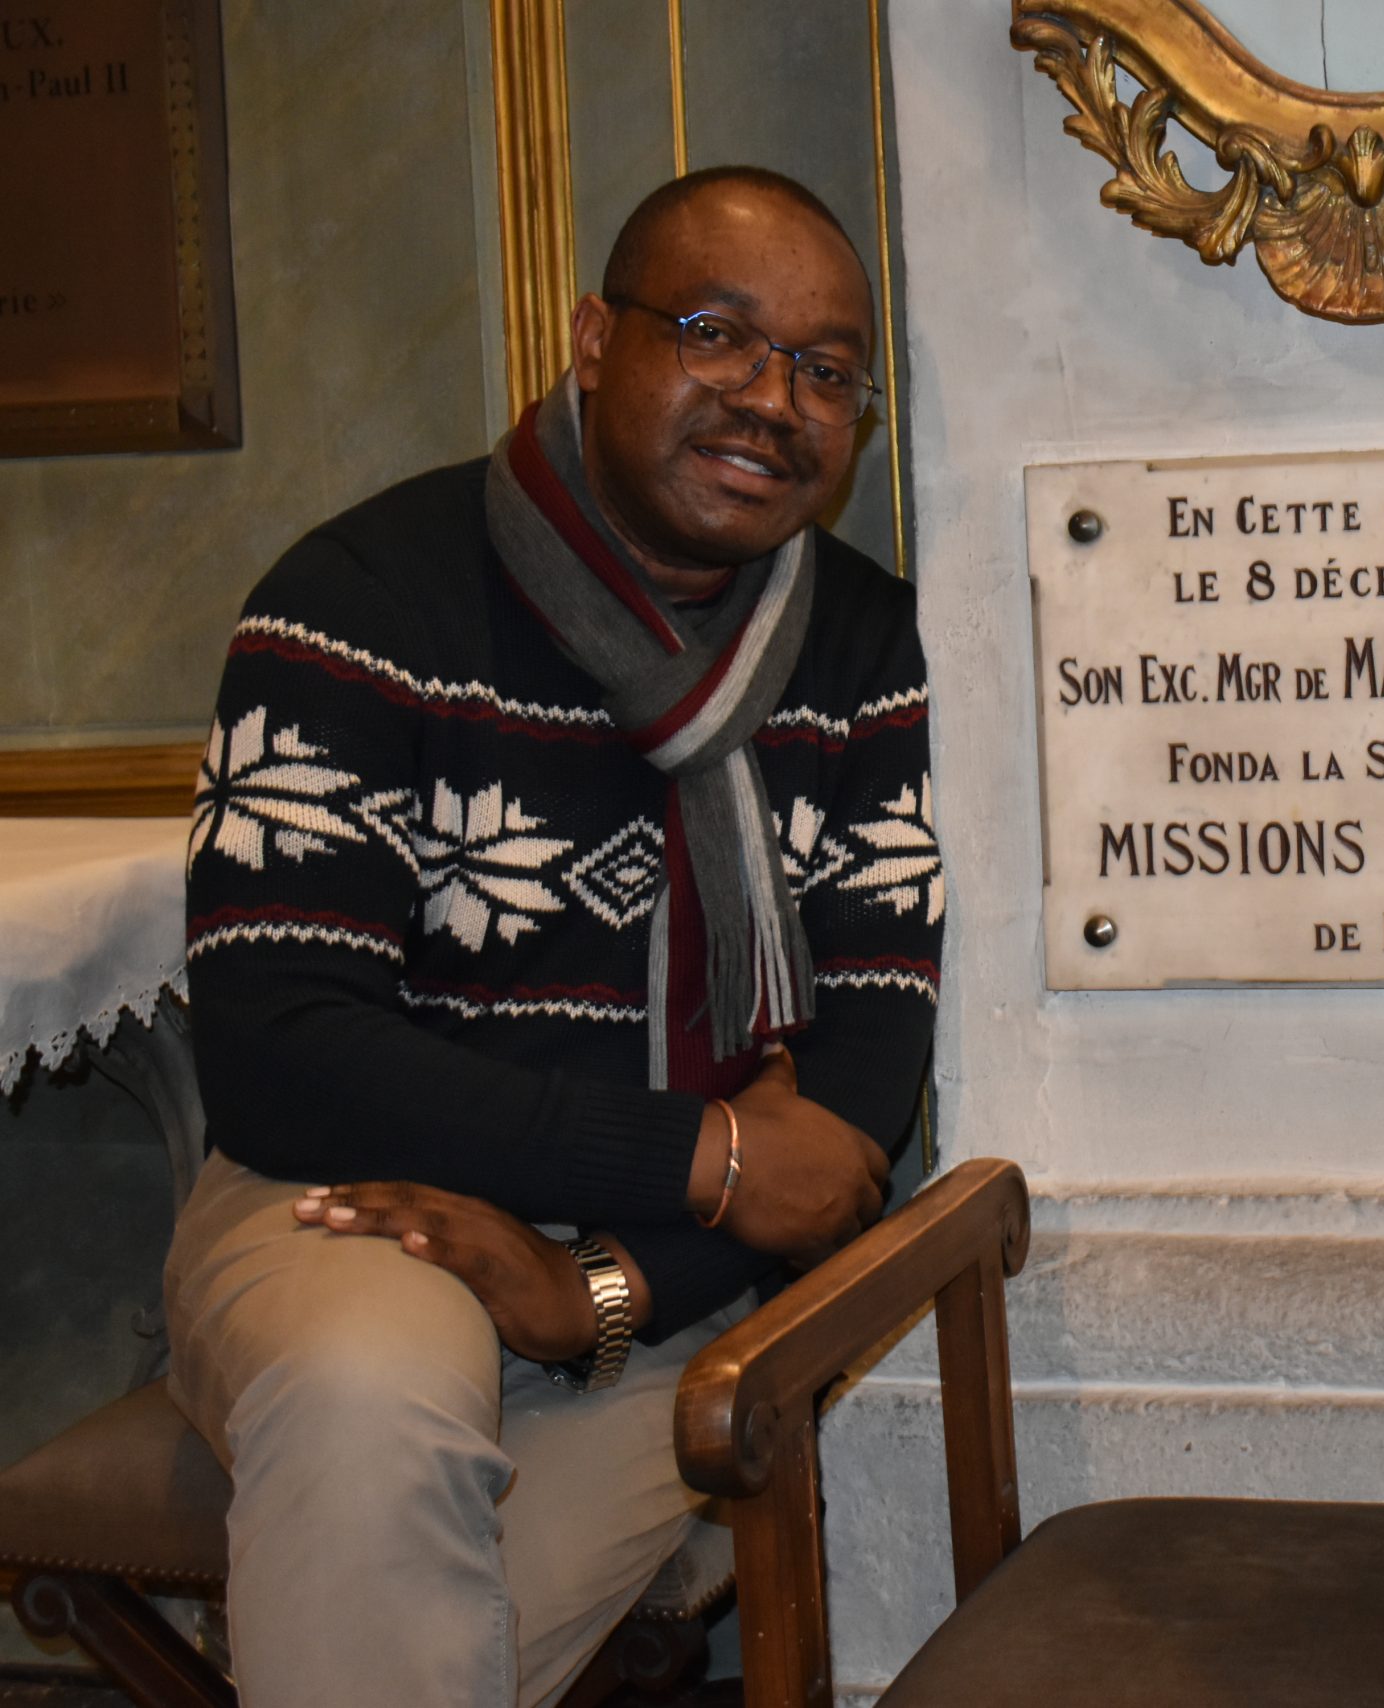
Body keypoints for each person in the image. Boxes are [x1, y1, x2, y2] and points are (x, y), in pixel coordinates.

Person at [166, 166, 941, 1706]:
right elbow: (285, 1059)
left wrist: (598, 1286)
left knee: (401, 1652)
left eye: (826, 370)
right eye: (716, 334)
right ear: (594, 339)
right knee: (370, 1399)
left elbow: (851, 1118)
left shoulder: (869, 650)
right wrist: (700, 1159)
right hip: (356, 1216)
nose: (771, 399)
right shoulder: (358, 603)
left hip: (683, 1296)